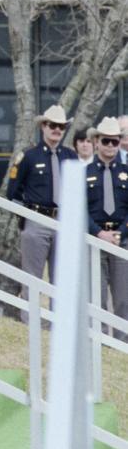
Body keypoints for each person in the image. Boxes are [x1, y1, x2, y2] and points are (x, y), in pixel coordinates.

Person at [6, 104, 78, 307]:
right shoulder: (29, 156)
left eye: (61, 126)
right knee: (32, 277)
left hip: (64, 221)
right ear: (43, 127)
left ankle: (58, 326)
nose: (57, 130)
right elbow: (13, 191)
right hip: (37, 220)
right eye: (52, 125)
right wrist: (26, 217)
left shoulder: (70, 157)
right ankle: (30, 323)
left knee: (62, 278)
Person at [86, 117, 128, 341]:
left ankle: (123, 341)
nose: (110, 146)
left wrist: (121, 232)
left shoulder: (127, 172)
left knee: (123, 296)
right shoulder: (85, 172)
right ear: (96, 142)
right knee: (97, 294)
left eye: (115, 141)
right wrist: (98, 233)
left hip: (122, 239)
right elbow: (80, 210)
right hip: (95, 238)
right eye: (106, 141)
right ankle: (99, 340)